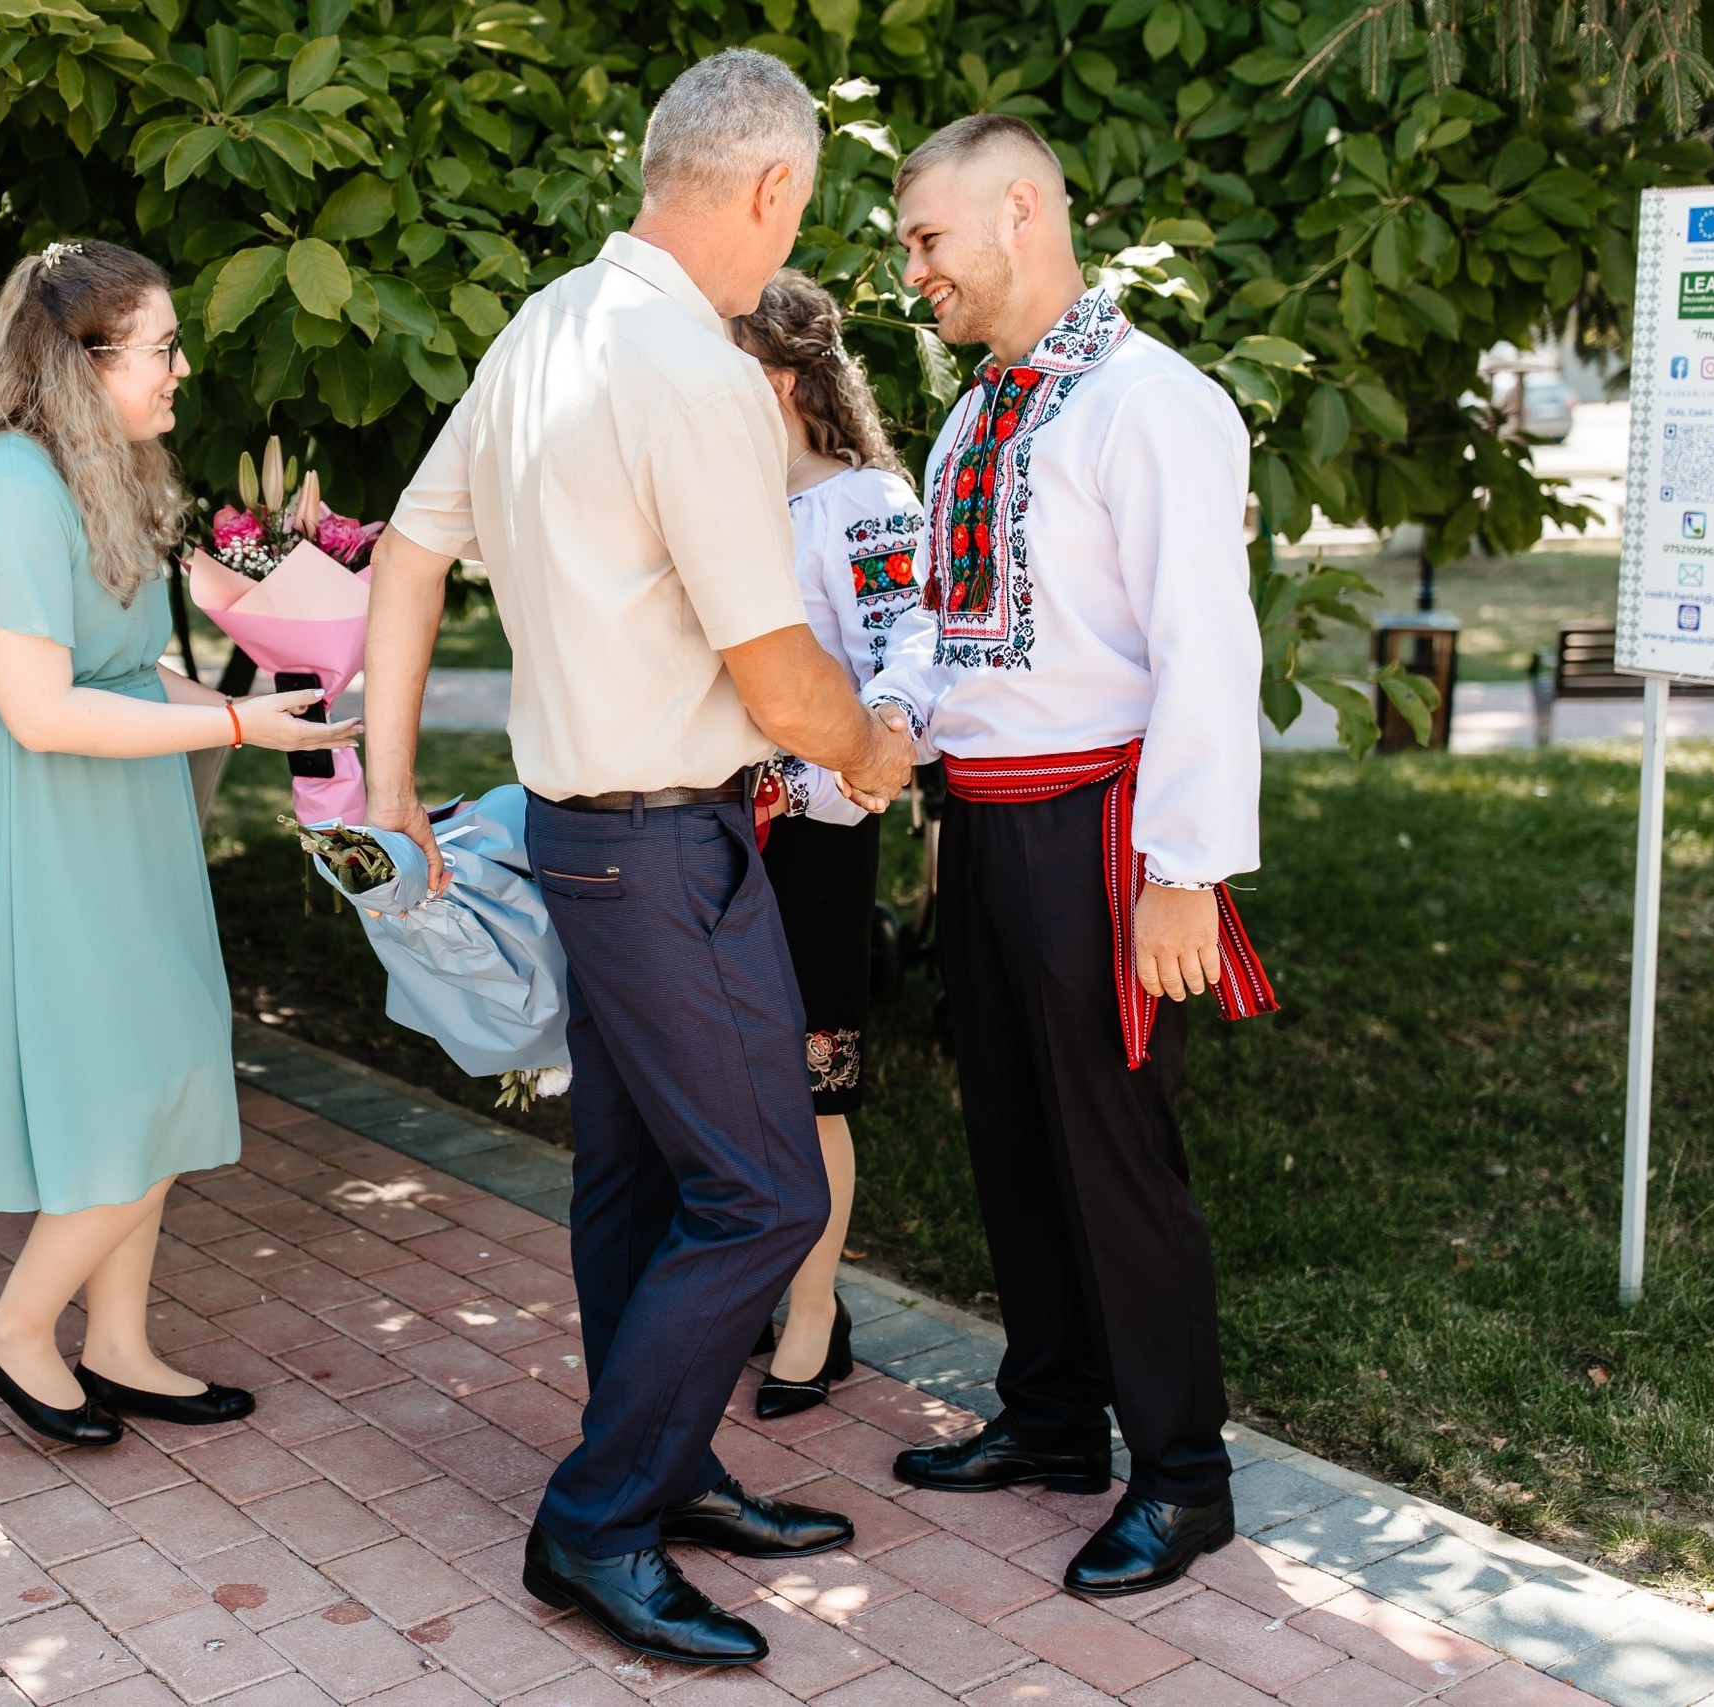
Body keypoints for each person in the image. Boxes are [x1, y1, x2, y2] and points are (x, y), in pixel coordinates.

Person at [362, 50, 917, 1667]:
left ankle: (666, 1473)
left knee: (638, 1180)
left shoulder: (548, 326)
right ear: (770, 191)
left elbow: (406, 552)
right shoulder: (691, 369)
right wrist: (872, 745)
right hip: (666, 845)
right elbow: (775, 669)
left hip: (577, 836)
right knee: (759, 1191)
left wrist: (393, 784)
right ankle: (596, 1519)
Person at [867, 114, 1272, 1598]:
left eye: (929, 240)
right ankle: (1049, 1422)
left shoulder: (1151, 403)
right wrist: (897, 716)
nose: (914, 273)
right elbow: (935, 611)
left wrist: (1185, 867)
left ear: (1022, 210)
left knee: (1115, 1157)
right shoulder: (975, 414)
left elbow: (1204, 647)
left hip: (1103, 827)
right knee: (1013, 1140)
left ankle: (1184, 1474)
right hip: (982, 818)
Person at [0, 241, 350, 1449]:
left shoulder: (91, 471)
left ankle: (121, 1345)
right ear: (80, 360)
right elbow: (40, 708)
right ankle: (12, 1331)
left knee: (158, 1075)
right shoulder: (8, 491)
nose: (180, 368)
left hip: (118, 812)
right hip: (47, 821)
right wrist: (233, 723)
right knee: (135, 1087)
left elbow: (121, 663)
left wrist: (256, 703)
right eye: (159, 347)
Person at [726, 269, 925, 1421]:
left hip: (811, 833)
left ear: (789, 377)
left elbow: (903, 654)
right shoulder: (722, 504)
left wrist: (843, 760)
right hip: (712, 826)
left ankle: (814, 1312)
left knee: (811, 1087)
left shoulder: (865, 503)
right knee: (734, 1084)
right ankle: (763, 1282)